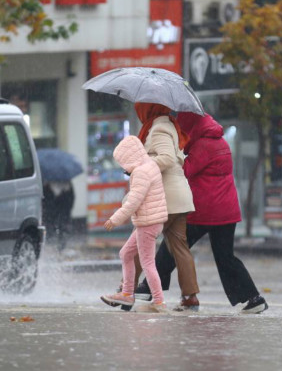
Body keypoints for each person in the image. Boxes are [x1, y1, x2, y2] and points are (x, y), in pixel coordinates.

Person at [135, 113, 268, 314]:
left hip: (206, 210)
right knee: (225, 257)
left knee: (173, 244)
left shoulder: (204, 146)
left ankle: (147, 289)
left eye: (183, 129)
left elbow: (185, 171)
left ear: (191, 127)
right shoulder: (219, 142)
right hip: (226, 211)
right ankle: (253, 298)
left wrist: (171, 156)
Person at [129, 102, 200, 311]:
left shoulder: (159, 128)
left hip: (165, 198)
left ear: (149, 109)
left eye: (141, 108)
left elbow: (167, 158)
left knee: (140, 242)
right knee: (180, 247)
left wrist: (142, 167)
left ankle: (127, 289)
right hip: (180, 197)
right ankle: (190, 296)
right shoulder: (170, 126)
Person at [100, 136, 168, 313]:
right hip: (151, 221)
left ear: (128, 158)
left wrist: (114, 219)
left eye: (122, 162)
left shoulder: (140, 172)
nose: (123, 167)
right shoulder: (150, 165)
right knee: (125, 254)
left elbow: (133, 202)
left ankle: (159, 301)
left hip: (147, 223)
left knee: (147, 263)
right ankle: (127, 294)